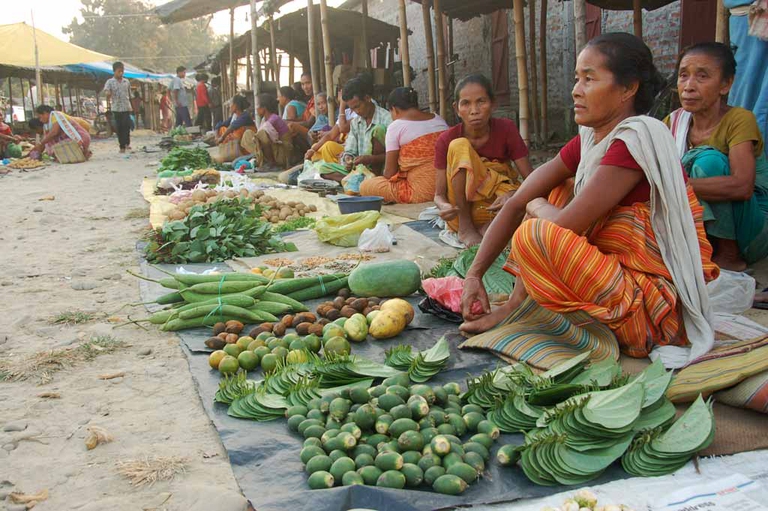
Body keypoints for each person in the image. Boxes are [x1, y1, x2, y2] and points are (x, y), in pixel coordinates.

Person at [459, 33, 718, 367]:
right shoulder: (591, 139)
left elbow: (560, 225)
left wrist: (534, 206)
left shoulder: (636, 140)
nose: (576, 90)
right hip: (612, 282)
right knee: (557, 190)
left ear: (628, 88)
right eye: (576, 79)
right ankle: (516, 305)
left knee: (538, 227)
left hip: (652, 310)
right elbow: (516, 200)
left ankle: (598, 320)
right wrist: (474, 276)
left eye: (589, 79)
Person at [666, 42, 768, 271]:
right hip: (703, 231)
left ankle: (729, 255)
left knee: (708, 161)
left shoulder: (740, 120)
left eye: (702, 77)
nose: (688, 86)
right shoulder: (674, 122)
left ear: (726, 84)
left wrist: (670, 183)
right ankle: (700, 251)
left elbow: (742, 187)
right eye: (683, 76)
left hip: (752, 230)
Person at [433, 74, 533, 246]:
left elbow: (531, 179)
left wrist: (512, 195)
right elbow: (439, 195)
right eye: (466, 103)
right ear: (457, 109)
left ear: (493, 104)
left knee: (538, 202)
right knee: (458, 145)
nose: (474, 110)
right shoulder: (446, 139)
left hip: (495, 209)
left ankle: (489, 229)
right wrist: (444, 207)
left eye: (481, 102)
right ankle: (466, 228)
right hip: (461, 213)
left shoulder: (506, 129)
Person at [360, 87, 448, 203]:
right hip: (447, 188)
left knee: (365, 186)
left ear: (394, 110)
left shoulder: (396, 126)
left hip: (420, 193)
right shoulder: (439, 120)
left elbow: (389, 173)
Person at [315, 76, 392, 183]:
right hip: (358, 171)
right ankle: (359, 182)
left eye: (357, 106)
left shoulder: (387, 119)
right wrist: (347, 159)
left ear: (367, 98)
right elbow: (350, 150)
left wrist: (371, 159)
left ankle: (365, 182)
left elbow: (394, 155)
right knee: (323, 169)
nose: (356, 112)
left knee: (378, 129)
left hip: (381, 172)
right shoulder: (356, 122)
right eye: (352, 109)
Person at [241, 93, 294, 170]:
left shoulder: (274, 119)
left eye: (258, 106)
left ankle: (272, 163)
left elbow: (264, 137)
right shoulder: (264, 120)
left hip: (283, 152)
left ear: (264, 108)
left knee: (262, 134)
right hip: (275, 149)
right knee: (248, 134)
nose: (256, 109)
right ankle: (264, 161)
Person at [103, 61, 133, 153]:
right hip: (116, 108)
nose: (121, 73)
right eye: (119, 71)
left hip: (126, 107)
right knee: (119, 127)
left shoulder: (126, 81)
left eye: (122, 71)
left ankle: (127, 143)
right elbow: (106, 92)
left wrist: (131, 107)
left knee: (126, 126)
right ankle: (122, 146)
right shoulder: (110, 82)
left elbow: (129, 95)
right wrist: (108, 94)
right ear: (114, 71)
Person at [215, 95, 256, 160]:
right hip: (236, 143)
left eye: (231, 104)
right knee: (222, 128)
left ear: (235, 106)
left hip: (246, 147)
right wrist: (217, 136)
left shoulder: (245, 116)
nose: (229, 106)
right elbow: (219, 125)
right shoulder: (234, 116)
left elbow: (232, 126)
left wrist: (222, 137)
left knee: (228, 131)